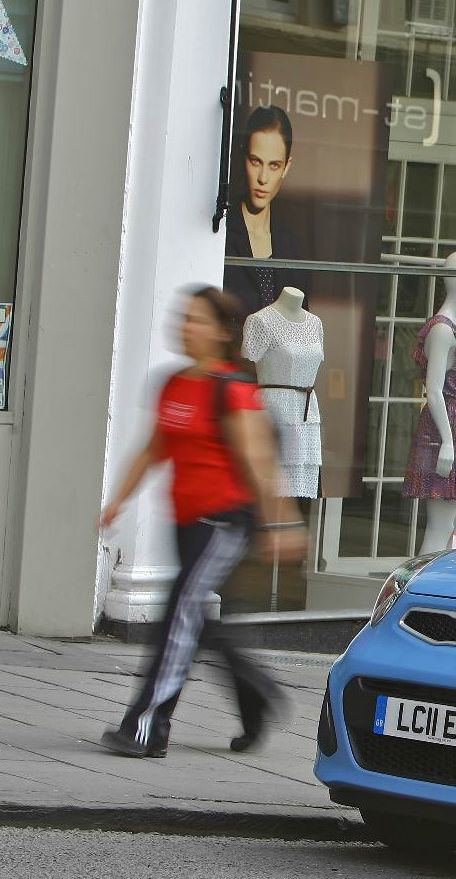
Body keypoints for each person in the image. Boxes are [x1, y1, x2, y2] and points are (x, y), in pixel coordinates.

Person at [98, 286, 307, 758]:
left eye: (196, 320)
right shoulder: (174, 383)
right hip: (187, 522)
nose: (185, 326)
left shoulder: (232, 390)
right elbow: (154, 448)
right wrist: (118, 502)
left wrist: (282, 524)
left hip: (226, 523)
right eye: (183, 317)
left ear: (219, 332)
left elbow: (258, 463)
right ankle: (256, 697)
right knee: (195, 619)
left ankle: (147, 727)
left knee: (177, 615)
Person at [224, 105, 310, 314]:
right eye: (256, 161)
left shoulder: (292, 246)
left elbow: (301, 323)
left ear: (286, 167)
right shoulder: (222, 234)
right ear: (244, 158)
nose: (263, 178)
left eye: (274, 165)